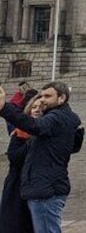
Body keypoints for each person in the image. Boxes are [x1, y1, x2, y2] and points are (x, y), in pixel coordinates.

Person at [0, 81, 82, 233]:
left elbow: (34, 126)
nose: (43, 99)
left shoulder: (56, 118)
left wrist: (5, 108)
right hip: (45, 186)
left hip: (45, 189)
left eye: (48, 96)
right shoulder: (64, 118)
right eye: (42, 95)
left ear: (61, 98)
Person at [0, 94, 42, 233]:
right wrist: (33, 141)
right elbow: (15, 157)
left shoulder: (50, 131)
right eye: (34, 107)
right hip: (16, 185)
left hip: (38, 185)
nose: (36, 110)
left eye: (40, 108)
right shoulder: (20, 132)